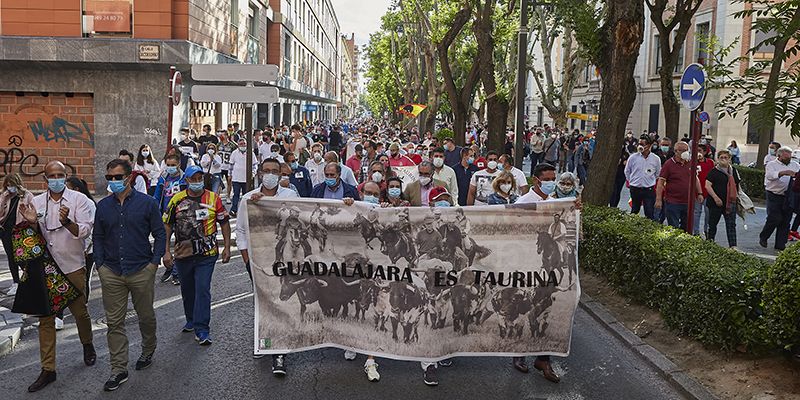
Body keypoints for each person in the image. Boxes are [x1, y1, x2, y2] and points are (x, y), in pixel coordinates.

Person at [16, 161, 97, 392]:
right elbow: (28, 237)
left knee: (80, 312)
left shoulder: (79, 200)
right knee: (46, 319)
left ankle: (87, 344)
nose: (56, 178)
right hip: (44, 269)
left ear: (66, 175)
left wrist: (67, 222)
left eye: (60, 174)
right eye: (52, 175)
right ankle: (48, 369)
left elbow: (84, 230)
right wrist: (31, 223)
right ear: (45, 178)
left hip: (72, 266)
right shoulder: (36, 201)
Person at [93, 159, 166, 391]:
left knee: (146, 316)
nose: (113, 182)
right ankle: (118, 369)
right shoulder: (103, 206)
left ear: (128, 178)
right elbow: (98, 236)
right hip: (111, 271)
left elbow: (160, 234)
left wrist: (154, 263)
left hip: (141, 269)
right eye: (109, 178)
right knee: (114, 323)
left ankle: (148, 349)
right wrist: (100, 264)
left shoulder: (147, 203)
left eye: (117, 177)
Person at [163, 165, 231, 346]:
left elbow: (224, 222)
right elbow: (167, 225)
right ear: (186, 181)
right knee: (188, 289)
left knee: (202, 289)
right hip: (183, 253)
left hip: (207, 253)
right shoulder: (176, 200)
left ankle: (202, 329)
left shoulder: (213, 198)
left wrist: (227, 247)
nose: (196, 182)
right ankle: (191, 318)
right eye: (193, 179)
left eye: (199, 178)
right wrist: (166, 250)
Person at [656, 142, 703, 231]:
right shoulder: (669, 164)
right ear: (675, 151)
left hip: (688, 201)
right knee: (674, 227)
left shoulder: (690, 163)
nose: (684, 152)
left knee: (686, 227)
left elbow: (695, 178)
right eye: (681, 150)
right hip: (673, 201)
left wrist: (700, 193)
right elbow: (661, 182)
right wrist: (658, 200)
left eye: (686, 150)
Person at [760, 146, 800, 250]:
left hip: (789, 195)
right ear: (779, 156)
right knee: (775, 217)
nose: (788, 160)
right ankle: (764, 236)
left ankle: (780, 244)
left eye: (790, 157)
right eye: (786, 158)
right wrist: (783, 172)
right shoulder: (771, 164)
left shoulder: (795, 165)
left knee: (786, 220)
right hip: (774, 194)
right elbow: (770, 176)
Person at [0, 173, 33, 297]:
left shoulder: (27, 195)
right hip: (6, 230)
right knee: (11, 257)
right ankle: (16, 282)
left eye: (12, 185)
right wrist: (3, 198)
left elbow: (33, 211)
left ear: (17, 183)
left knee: (21, 257)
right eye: (7, 185)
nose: (10, 187)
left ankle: (30, 279)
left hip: (20, 230)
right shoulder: (6, 196)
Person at [65, 176, 96, 298]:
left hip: (86, 250)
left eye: (68, 189)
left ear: (76, 189)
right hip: (69, 248)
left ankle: (84, 304)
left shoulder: (88, 203)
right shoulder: (65, 203)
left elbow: (91, 228)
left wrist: (86, 249)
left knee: (84, 278)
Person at [704, 150, 741, 248]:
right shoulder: (714, 171)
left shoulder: (734, 171)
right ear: (718, 159)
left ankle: (733, 246)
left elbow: (737, 185)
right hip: (715, 203)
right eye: (721, 157)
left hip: (730, 203)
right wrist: (716, 198)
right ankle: (709, 244)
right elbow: (707, 185)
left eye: (726, 157)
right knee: (712, 224)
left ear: (730, 159)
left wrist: (737, 198)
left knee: (731, 225)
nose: (724, 159)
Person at [624, 135, 662, 220]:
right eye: (639, 143)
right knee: (634, 210)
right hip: (635, 188)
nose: (640, 146)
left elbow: (657, 174)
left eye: (642, 144)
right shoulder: (633, 157)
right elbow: (627, 171)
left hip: (648, 189)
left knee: (649, 211)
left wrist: (650, 181)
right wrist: (631, 182)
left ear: (649, 146)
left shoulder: (655, 159)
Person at [229, 138, 257, 216]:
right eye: (241, 144)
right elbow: (231, 164)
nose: (243, 145)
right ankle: (234, 209)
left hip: (246, 179)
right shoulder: (234, 153)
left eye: (244, 143)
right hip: (236, 178)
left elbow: (255, 165)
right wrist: (229, 175)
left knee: (246, 195)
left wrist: (253, 173)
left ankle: (246, 209)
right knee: (236, 195)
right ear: (238, 145)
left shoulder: (251, 153)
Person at [693, 146, 716, 236]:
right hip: (696, 192)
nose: (698, 153)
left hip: (708, 192)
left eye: (700, 151)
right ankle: (696, 232)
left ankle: (707, 230)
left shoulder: (710, 163)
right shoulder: (692, 163)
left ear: (704, 152)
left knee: (708, 213)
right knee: (696, 212)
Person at [217, 131, 238, 202]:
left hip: (228, 166)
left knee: (229, 181)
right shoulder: (218, 144)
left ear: (226, 136)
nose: (221, 136)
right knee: (219, 182)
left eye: (222, 135)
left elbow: (236, 155)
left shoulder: (232, 145)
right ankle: (218, 197)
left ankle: (228, 196)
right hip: (220, 166)